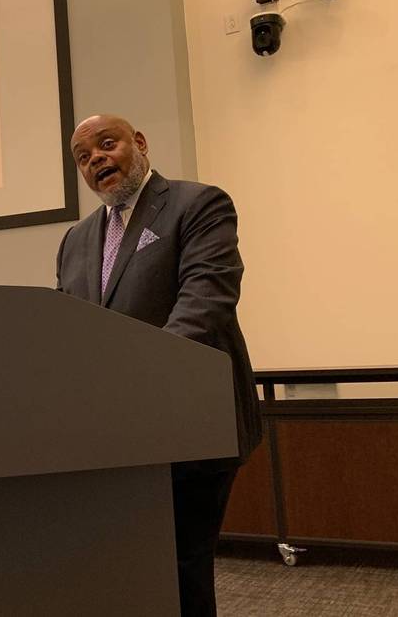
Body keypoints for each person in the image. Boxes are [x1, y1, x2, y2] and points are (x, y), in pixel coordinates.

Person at [55, 114, 262, 616]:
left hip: (191, 423)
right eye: (84, 157)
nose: (96, 160)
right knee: (125, 569)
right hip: (112, 438)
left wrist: (140, 383)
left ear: (139, 143)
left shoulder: (198, 204)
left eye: (107, 145)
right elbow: (65, 331)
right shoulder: (75, 240)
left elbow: (205, 303)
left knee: (180, 569)